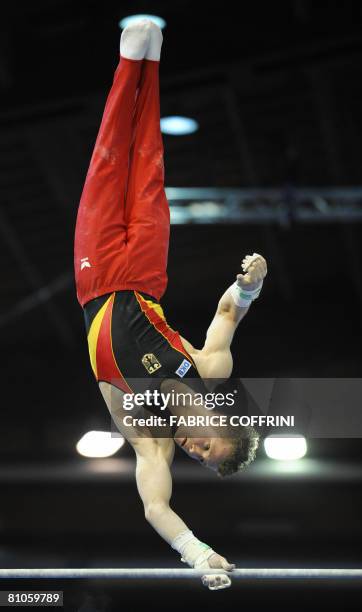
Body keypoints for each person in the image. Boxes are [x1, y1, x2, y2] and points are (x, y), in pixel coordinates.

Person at [74, 20, 267, 590]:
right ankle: (150, 59)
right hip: (145, 278)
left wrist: (198, 554)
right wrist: (250, 285)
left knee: (110, 160)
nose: (194, 448)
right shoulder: (210, 371)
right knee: (149, 165)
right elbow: (228, 315)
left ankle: (129, 62)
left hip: (96, 280)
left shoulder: (150, 436)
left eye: (201, 458)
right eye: (208, 443)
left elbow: (155, 508)